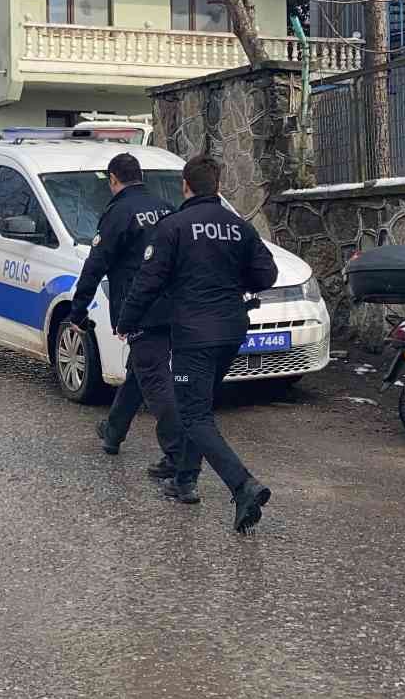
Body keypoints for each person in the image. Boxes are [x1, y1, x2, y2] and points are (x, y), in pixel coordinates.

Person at [117, 155, 278, 533]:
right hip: (232, 331)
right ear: (216, 186)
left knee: (193, 414)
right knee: (199, 407)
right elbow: (266, 274)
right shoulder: (239, 227)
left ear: (185, 186)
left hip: (194, 333)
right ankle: (184, 480)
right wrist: (232, 280)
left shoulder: (174, 227)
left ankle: (243, 486)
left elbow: (147, 282)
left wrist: (126, 321)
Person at [65, 153, 178, 476]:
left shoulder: (119, 213)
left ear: (113, 180)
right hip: (172, 305)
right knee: (139, 370)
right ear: (140, 176)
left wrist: (78, 309)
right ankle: (113, 431)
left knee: (155, 380)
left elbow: (96, 264)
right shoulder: (166, 207)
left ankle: (178, 455)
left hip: (140, 309)